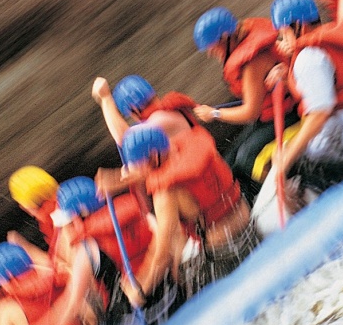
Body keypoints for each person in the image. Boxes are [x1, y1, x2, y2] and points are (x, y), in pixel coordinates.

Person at [252, 0, 343, 234]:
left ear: (298, 26)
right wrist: (288, 72)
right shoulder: (332, 39)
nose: (281, 42)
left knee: (287, 165)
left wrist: (284, 163)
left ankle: (320, 229)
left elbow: (319, 115)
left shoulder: (308, 58)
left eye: (283, 34)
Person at [103, 122, 260, 302]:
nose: (135, 170)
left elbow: (163, 254)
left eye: (138, 165)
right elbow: (158, 168)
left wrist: (140, 291)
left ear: (153, 157)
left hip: (224, 253)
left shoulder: (165, 193)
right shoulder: (193, 145)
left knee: (181, 268)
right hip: (248, 228)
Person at [51, 175, 182, 325]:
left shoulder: (88, 250)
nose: (66, 229)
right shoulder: (143, 216)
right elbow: (171, 251)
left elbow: (73, 305)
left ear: (82, 213)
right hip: (171, 300)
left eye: (69, 221)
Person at [191, 6, 298, 204]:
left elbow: (250, 112)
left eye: (212, 46)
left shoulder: (252, 63)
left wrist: (214, 113)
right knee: (227, 163)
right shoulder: (242, 42)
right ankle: (246, 207)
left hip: (289, 114)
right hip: (269, 116)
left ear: (225, 38)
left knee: (246, 159)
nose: (210, 53)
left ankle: (290, 197)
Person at [92, 74, 198, 145]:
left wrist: (106, 99)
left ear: (135, 110)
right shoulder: (165, 113)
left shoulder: (160, 119)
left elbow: (125, 139)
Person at [7, 165, 59, 257]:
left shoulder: (48, 220)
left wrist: (24, 245)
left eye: (21, 203)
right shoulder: (65, 199)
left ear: (29, 205)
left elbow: (61, 259)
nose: (20, 206)